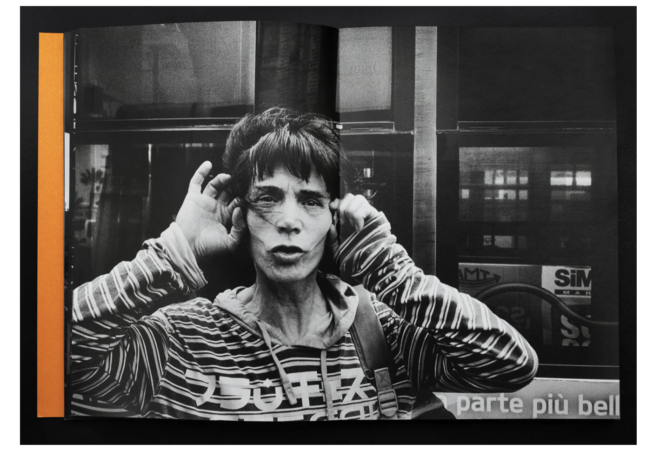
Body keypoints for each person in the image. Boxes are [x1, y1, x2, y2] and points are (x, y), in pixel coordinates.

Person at [70, 107, 538, 420]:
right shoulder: (180, 340)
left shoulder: (382, 334)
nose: (289, 222)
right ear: (240, 215)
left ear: (334, 220)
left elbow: (510, 365)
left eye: (311, 200)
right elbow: (53, 357)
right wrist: (176, 249)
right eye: (268, 198)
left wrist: (388, 267)